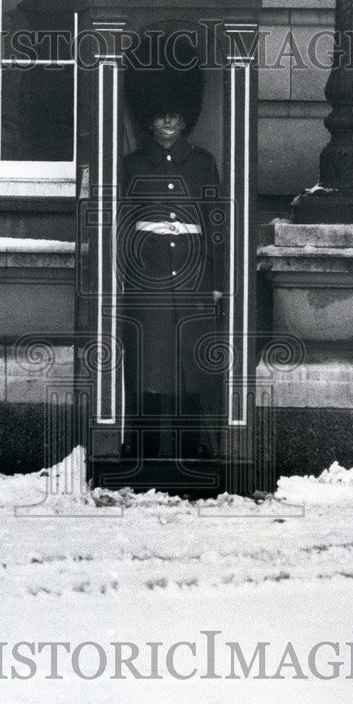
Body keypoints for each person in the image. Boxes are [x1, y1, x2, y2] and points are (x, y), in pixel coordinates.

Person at [120, 49, 226, 460]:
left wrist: (216, 283)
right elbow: (125, 224)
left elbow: (215, 225)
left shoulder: (202, 164)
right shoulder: (132, 165)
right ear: (149, 118)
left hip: (194, 281)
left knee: (191, 368)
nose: (167, 121)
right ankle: (145, 449)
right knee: (150, 366)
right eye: (160, 114)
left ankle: (192, 446)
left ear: (185, 118)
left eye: (174, 114)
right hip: (149, 281)